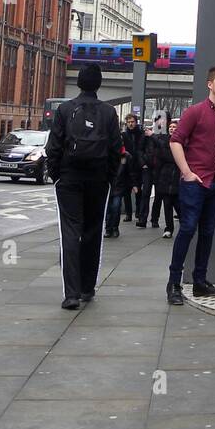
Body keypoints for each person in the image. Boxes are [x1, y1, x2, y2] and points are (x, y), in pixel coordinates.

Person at [44, 64, 123, 310]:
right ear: (99, 84)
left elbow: (53, 147)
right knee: (92, 231)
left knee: (70, 232)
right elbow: (115, 150)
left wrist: (56, 175)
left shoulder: (66, 110)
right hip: (98, 179)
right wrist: (109, 178)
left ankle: (71, 294)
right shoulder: (109, 113)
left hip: (69, 178)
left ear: (78, 83)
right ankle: (88, 287)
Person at [166, 64, 215, 305]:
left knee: (208, 232)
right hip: (195, 182)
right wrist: (186, 172)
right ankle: (174, 283)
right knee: (188, 229)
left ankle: (200, 282)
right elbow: (175, 141)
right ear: (210, 84)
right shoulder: (195, 112)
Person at [106, 112, 143, 238]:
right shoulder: (108, 153)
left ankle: (115, 227)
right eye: (129, 122)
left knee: (116, 206)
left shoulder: (126, 155)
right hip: (110, 183)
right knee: (108, 209)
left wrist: (134, 184)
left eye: (132, 121)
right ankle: (108, 228)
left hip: (123, 178)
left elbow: (131, 171)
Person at [144, 112, 180, 237]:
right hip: (164, 176)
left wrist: (153, 136)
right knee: (167, 203)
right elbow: (159, 154)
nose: (171, 129)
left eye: (174, 128)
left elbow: (169, 154)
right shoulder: (164, 139)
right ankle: (168, 228)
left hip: (176, 176)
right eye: (171, 127)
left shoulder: (180, 143)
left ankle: (185, 221)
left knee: (177, 203)